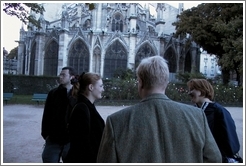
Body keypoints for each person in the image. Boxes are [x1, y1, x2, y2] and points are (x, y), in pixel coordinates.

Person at [97, 55, 222, 163]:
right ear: (166, 82)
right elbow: (214, 159)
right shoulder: (197, 116)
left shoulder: (116, 122)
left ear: (140, 82)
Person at [186, 78, 242, 163]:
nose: (189, 92)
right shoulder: (196, 110)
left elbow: (229, 140)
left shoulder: (216, 110)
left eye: (192, 89)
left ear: (201, 91)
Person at [64, 72, 105, 163]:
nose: (103, 89)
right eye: (101, 86)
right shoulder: (82, 108)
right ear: (91, 87)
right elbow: (82, 145)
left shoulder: (87, 106)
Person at [41, 66, 77, 163]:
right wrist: (46, 135)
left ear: (72, 77)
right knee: (48, 160)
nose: (60, 77)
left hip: (70, 140)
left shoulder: (78, 95)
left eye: (63, 75)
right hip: (54, 138)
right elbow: (46, 115)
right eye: (60, 75)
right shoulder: (53, 93)